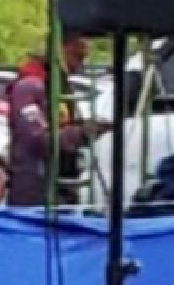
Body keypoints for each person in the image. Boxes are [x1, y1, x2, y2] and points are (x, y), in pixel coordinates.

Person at [6, 29, 106, 206]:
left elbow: (62, 123)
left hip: (61, 184)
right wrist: (80, 133)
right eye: (77, 57)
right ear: (60, 50)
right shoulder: (29, 86)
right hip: (35, 189)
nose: (80, 66)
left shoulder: (60, 86)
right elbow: (35, 138)